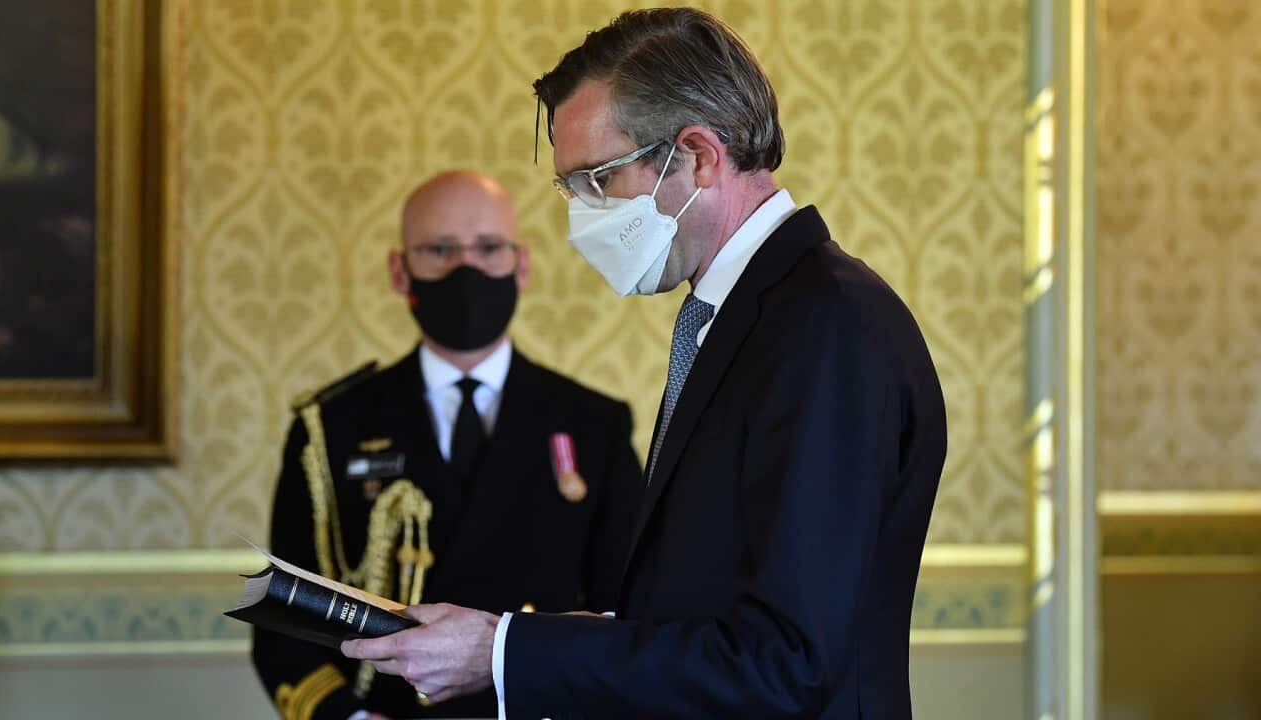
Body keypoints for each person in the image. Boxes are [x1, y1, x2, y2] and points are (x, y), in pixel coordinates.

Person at [342, 9, 947, 719]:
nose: (580, 215)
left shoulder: (825, 328)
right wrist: (559, 640)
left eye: (596, 181)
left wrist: (502, 651)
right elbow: (706, 601)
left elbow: (789, 662)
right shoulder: (745, 317)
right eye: (570, 190)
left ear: (697, 156)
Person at [252, 170, 643, 720]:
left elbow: (624, 615)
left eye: (488, 248)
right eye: (439, 249)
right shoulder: (331, 426)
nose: (467, 269)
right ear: (399, 269)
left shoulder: (593, 425)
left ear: (521, 264)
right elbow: (285, 620)